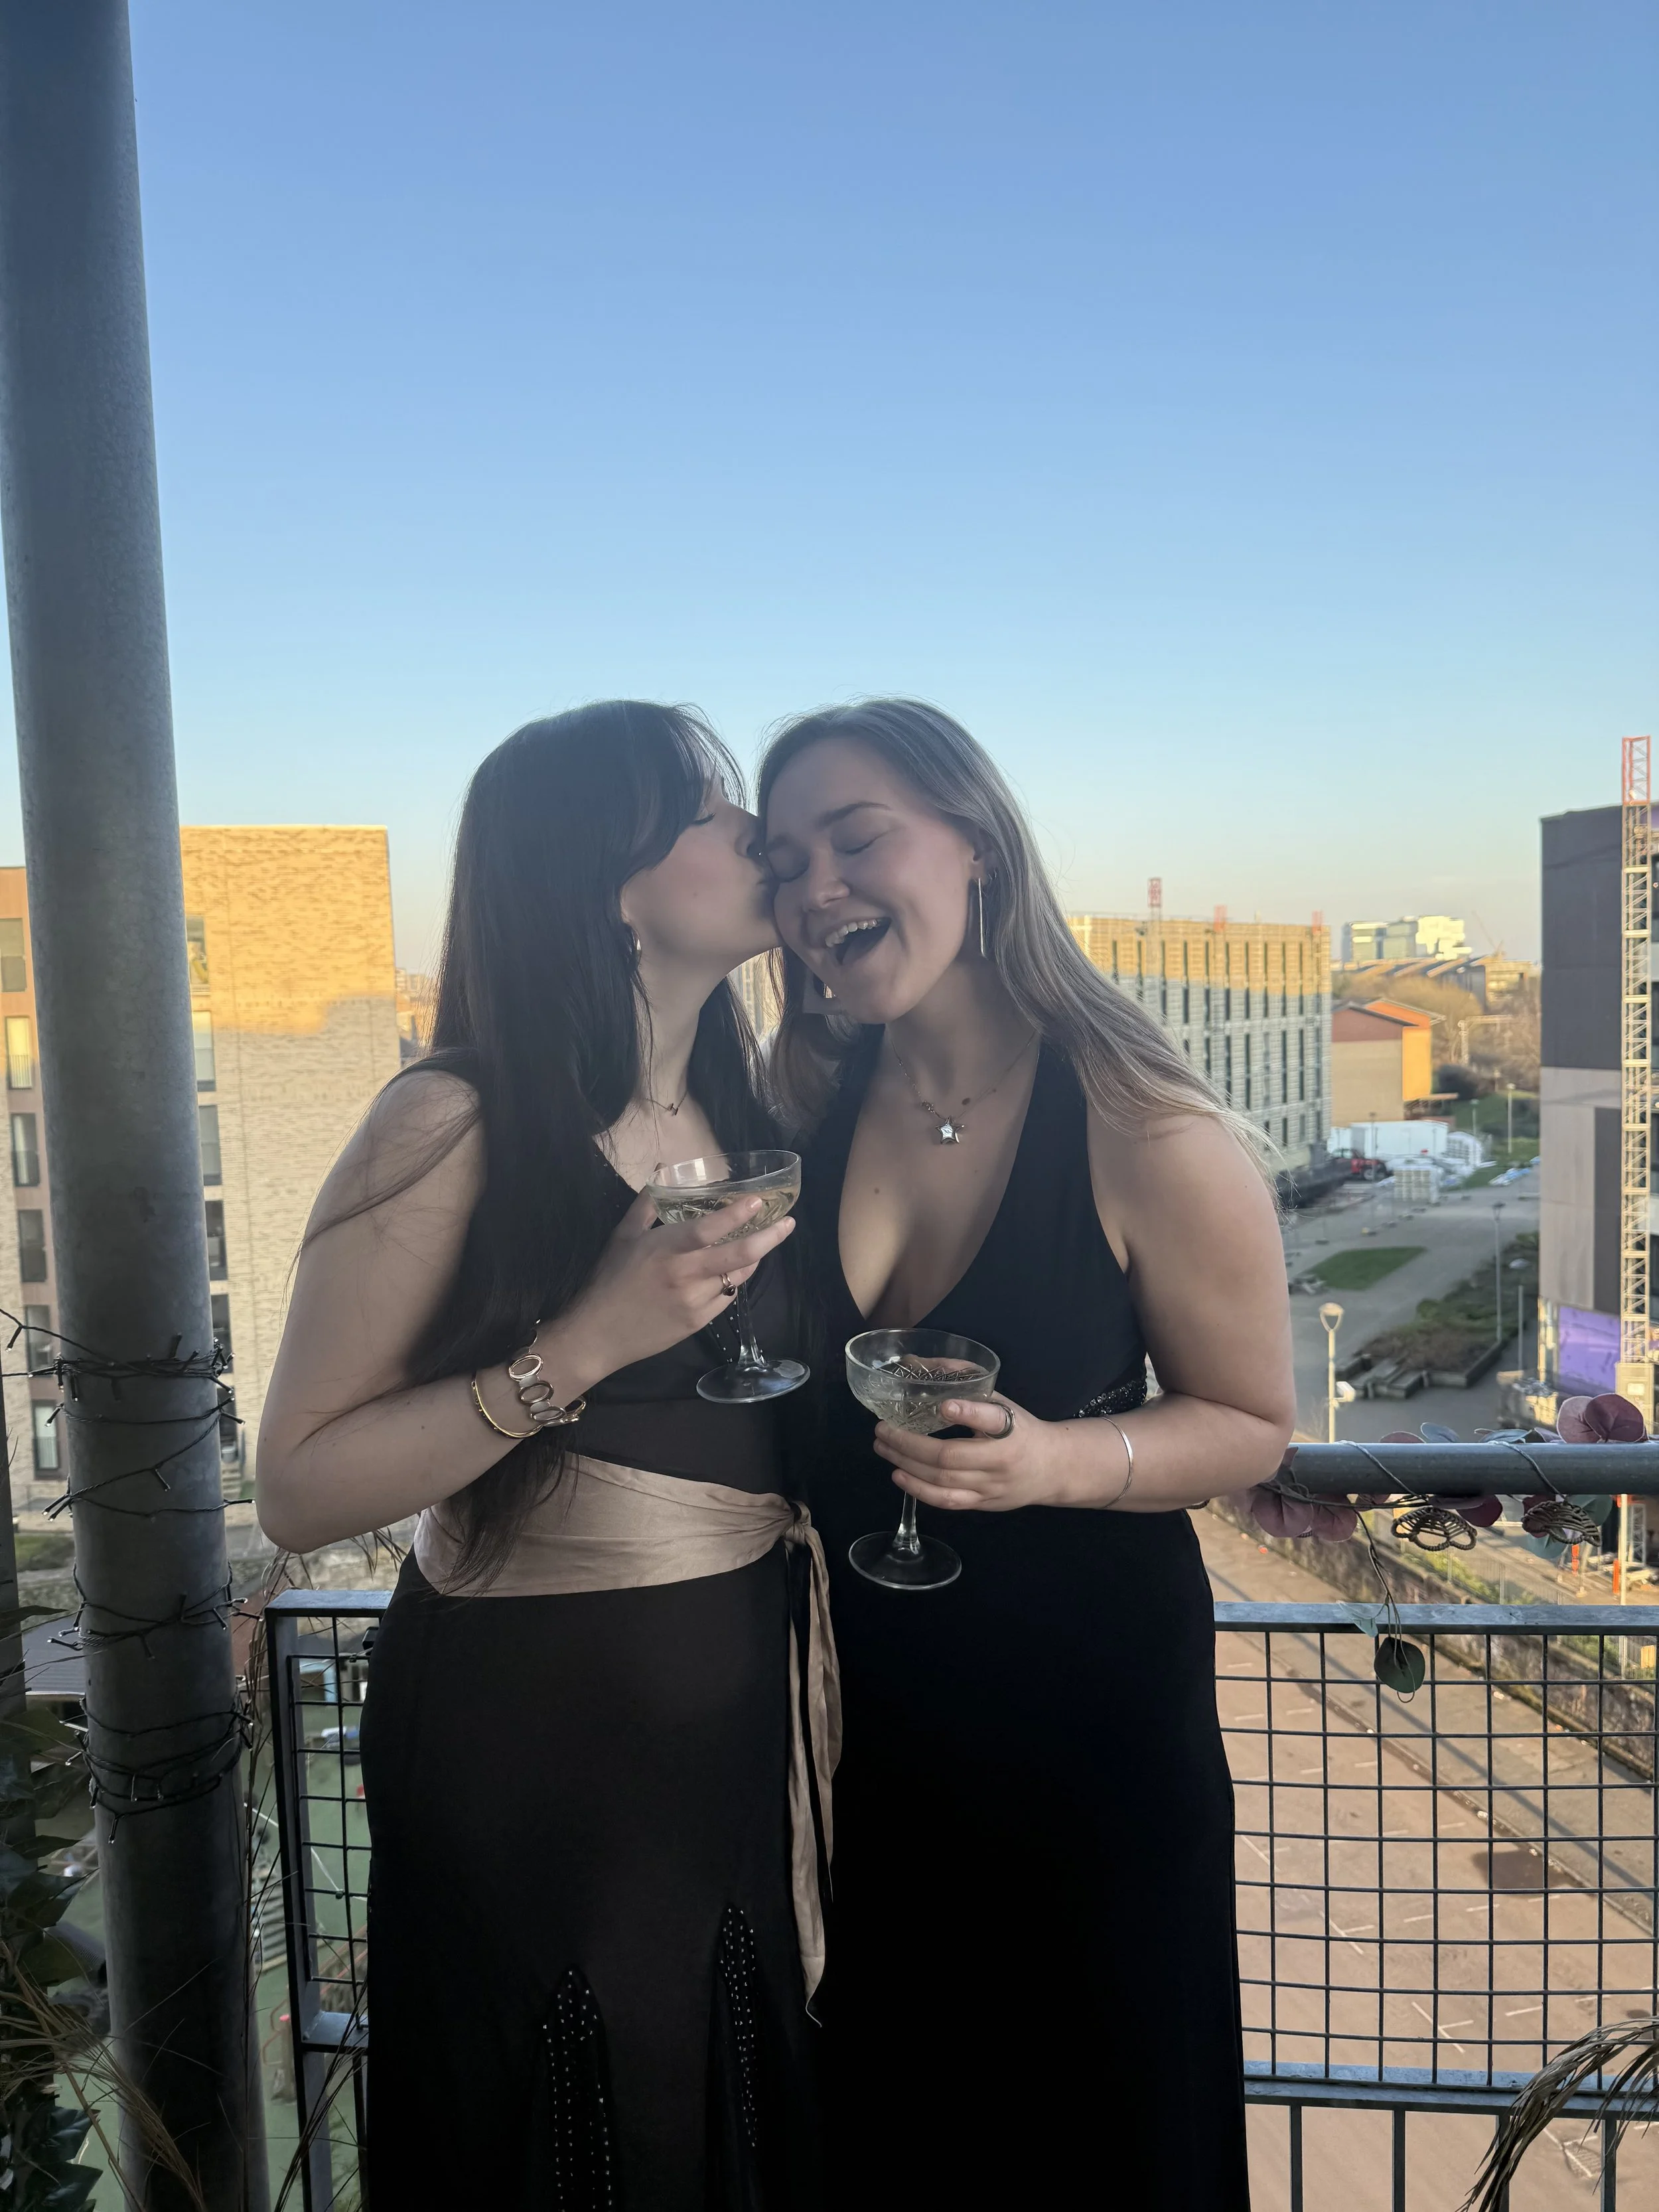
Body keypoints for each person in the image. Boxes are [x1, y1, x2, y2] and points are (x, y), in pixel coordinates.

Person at [257, 702, 833, 2211]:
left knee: (718, 2102)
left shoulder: (756, 1107)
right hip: (535, 1743)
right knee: (570, 2126)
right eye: (705, 810)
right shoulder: (449, 1118)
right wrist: (577, 1346)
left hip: (732, 1721)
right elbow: (298, 1486)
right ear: (605, 877)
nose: (751, 833)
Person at [758, 700, 1295, 2209]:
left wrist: (1053, 1460)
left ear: (978, 846)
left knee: (1094, 2137)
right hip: (853, 1739)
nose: (816, 889)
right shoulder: (799, 1106)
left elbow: (1251, 1420)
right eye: (785, 863)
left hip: (1083, 1743)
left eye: (857, 838)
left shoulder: (1139, 1120)